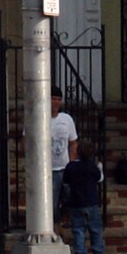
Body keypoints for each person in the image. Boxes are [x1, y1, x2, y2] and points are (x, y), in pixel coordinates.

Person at [63, 136, 104, 254]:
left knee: (78, 229)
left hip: (76, 202)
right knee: (95, 229)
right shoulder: (92, 166)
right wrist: (100, 168)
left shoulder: (71, 167)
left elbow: (66, 181)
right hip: (91, 201)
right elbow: (99, 178)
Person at [48, 87, 78, 232]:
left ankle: (67, 225)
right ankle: (55, 227)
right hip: (49, 169)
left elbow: (73, 142)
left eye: (59, 99)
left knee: (68, 198)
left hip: (64, 167)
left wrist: (71, 164)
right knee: (52, 202)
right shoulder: (39, 119)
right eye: (53, 99)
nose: (56, 102)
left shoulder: (66, 119)